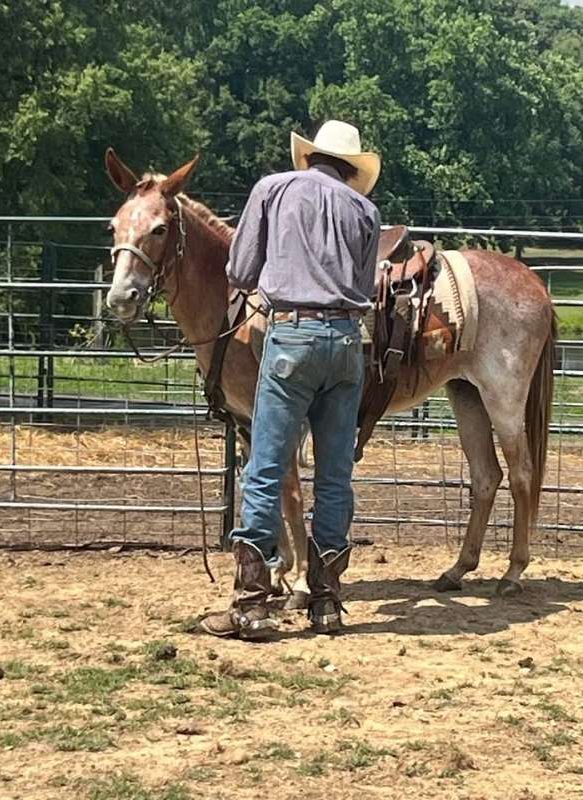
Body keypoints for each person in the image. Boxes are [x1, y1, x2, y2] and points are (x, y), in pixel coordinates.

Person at [200, 120, 381, 638]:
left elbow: (240, 270)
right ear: (351, 169)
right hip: (348, 343)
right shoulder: (364, 210)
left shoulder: (273, 189)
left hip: (291, 339)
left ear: (310, 157)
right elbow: (364, 284)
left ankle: (251, 604)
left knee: (266, 467)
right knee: (334, 475)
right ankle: (325, 602)